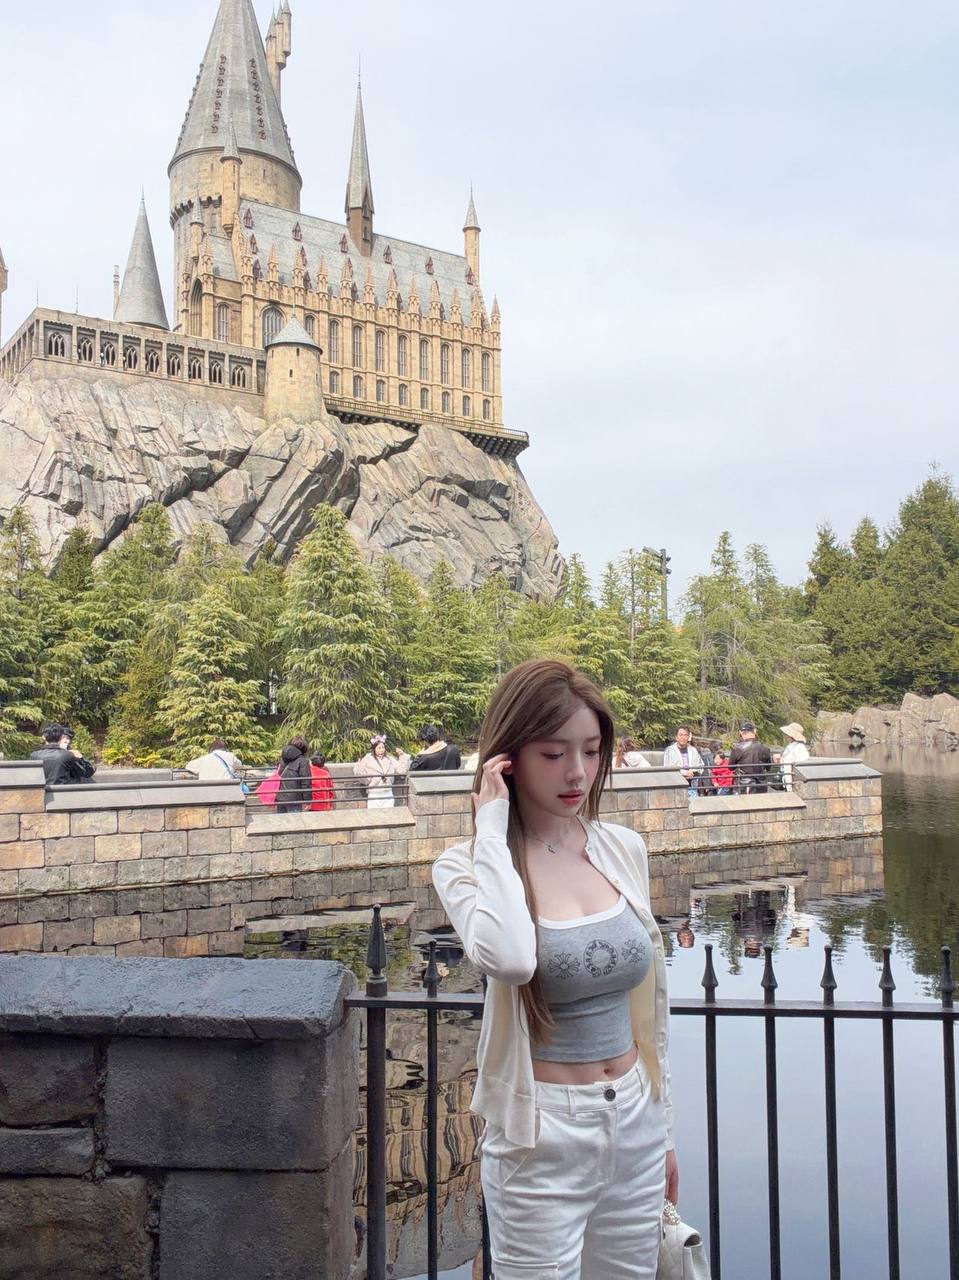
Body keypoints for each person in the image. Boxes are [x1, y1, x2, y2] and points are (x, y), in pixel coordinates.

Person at [432, 659, 677, 1279]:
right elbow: (512, 959)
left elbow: (650, 1016)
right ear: (507, 759)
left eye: (591, 751)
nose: (577, 773)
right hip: (541, 1131)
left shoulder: (621, 847)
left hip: (635, 1116)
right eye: (553, 753)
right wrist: (492, 831)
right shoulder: (466, 867)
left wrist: (665, 1131)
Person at [30, 724, 96, 785]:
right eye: (65, 737)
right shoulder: (67, 755)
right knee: (86, 779)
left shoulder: (34, 755)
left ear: (43, 737)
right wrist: (81, 758)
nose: (67, 741)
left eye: (68, 738)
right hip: (63, 792)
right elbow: (87, 773)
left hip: (42, 792)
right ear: (60, 737)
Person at [353, 734, 407, 808]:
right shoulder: (368, 759)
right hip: (374, 794)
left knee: (389, 814)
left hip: (388, 793)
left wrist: (402, 756)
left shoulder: (390, 759)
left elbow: (401, 770)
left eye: (383, 747)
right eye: (379, 748)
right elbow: (362, 776)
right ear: (374, 749)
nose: (381, 750)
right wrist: (359, 767)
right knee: (374, 814)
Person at [729, 721, 773, 794]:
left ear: (741, 732)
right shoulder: (765, 748)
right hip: (761, 784)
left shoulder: (737, 748)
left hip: (743, 784)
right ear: (754, 731)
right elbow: (768, 767)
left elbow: (731, 767)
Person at [663, 726, 704, 798]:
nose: (683, 737)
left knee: (693, 804)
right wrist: (684, 773)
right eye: (681, 735)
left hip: (692, 786)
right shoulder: (669, 750)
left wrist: (693, 771)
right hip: (676, 786)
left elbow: (701, 765)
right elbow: (667, 767)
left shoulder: (693, 750)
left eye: (685, 735)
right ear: (676, 737)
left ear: (688, 737)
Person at [275, 736, 312, 813]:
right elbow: (306, 782)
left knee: (282, 820)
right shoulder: (303, 761)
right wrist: (307, 800)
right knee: (295, 819)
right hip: (294, 799)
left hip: (280, 798)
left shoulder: (283, 759)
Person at [775, 722, 810, 791]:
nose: (787, 736)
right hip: (786, 780)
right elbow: (784, 763)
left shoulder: (800, 747)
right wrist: (779, 761)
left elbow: (801, 764)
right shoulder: (790, 746)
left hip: (793, 781)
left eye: (788, 734)